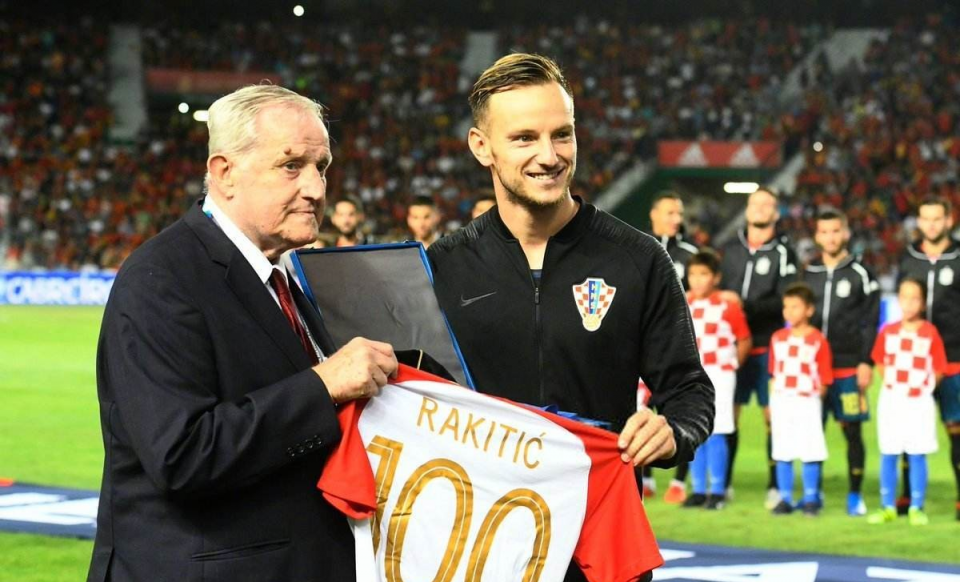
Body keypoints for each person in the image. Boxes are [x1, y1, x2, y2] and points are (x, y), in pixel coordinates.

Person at [87, 85, 398, 582]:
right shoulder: (161, 277)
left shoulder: (284, 277)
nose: (316, 189)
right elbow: (182, 455)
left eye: (321, 167)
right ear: (224, 173)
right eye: (291, 165)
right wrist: (322, 386)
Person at [427, 53, 714, 582]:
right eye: (524, 138)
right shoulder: (442, 267)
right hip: (479, 551)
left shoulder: (638, 259)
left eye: (562, 134)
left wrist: (673, 430)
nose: (549, 156)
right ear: (481, 146)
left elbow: (689, 389)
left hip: (599, 546)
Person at [720, 187, 798, 508]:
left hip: (767, 346)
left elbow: (786, 299)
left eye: (767, 205)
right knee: (728, 416)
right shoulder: (730, 249)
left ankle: (775, 485)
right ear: (747, 209)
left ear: (776, 213)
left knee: (772, 417)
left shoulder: (785, 252)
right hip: (730, 347)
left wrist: (744, 305)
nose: (760, 209)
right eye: (755, 203)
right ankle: (723, 484)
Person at [802, 208, 880, 515]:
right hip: (812, 371)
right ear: (817, 236)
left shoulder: (861, 273)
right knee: (812, 430)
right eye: (824, 232)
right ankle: (813, 493)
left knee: (852, 431)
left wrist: (866, 362)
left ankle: (855, 495)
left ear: (845, 233)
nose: (831, 237)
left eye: (836, 231)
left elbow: (871, 322)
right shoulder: (808, 272)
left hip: (847, 368)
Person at [897, 196, 960, 520]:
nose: (931, 225)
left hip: (953, 359)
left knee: (955, 429)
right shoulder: (909, 258)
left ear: (949, 221)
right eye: (926, 219)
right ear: (919, 222)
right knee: (908, 430)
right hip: (914, 362)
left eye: (937, 219)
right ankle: (908, 496)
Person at [867, 278, 946, 526]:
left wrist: (923, 388)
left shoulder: (930, 333)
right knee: (889, 451)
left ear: (923, 303)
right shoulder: (888, 331)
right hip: (892, 401)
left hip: (919, 402)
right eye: (904, 297)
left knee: (917, 452)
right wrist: (893, 384)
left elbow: (939, 367)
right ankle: (887, 506)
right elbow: (879, 360)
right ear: (898, 300)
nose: (909, 303)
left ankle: (916, 507)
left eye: (915, 298)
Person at [681, 250, 751, 510]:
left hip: (720, 374)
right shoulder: (681, 303)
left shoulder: (727, 306)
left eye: (704, 274)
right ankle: (699, 490)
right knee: (693, 429)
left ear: (716, 278)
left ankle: (718, 490)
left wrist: (731, 365)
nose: (697, 280)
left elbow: (744, 339)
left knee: (717, 429)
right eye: (693, 274)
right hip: (691, 375)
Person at [644, 190, 700, 503]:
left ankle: (679, 482)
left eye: (679, 213)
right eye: (670, 213)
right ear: (653, 214)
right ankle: (645, 477)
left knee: (680, 407)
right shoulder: (637, 246)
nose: (676, 219)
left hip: (678, 345)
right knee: (641, 409)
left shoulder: (691, 253)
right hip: (644, 343)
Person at [767, 282, 833, 517]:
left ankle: (811, 498)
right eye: (786, 307)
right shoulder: (778, 338)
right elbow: (774, 372)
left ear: (809, 310)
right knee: (782, 449)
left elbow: (824, 377)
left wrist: (813, 399)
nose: (789, 312)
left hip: (807, 401)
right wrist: (774, 400)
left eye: (795, 307)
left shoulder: (818, 340)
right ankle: (785, 498)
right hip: (782, 400)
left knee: (810, 448)